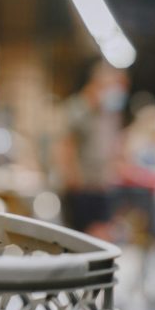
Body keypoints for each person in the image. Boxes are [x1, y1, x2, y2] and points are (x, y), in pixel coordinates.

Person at [55, 57, 129, 239]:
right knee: (80, 239)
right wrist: (73, 179)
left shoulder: (109, 113)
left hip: (102, 186)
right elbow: (65, 145)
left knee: (101, 237)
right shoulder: (78, 109)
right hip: (82, 188)